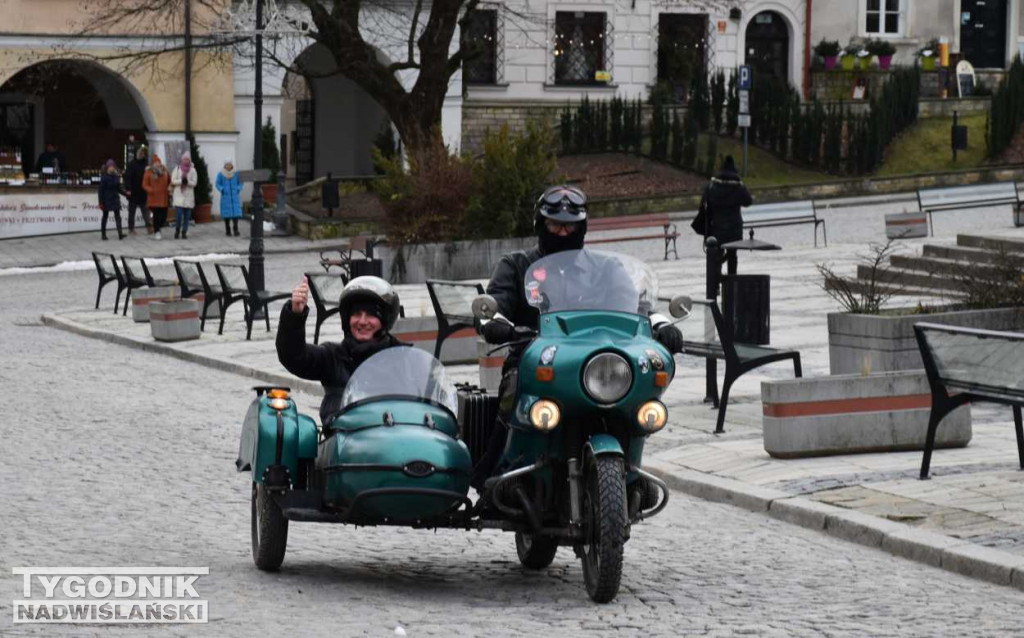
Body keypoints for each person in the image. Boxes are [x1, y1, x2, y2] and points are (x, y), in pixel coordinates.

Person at [471, 185, 683, 488]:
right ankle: (491, 473)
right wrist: (495, 323)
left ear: (582, 227)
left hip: (599, 361)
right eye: (554, 224)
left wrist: (662, 325)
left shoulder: (606, 267)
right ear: (540, 224)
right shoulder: (516, 265)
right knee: (511, 395)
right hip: (534, 358)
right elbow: (493, 305)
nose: (561, 232)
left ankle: (632, 474)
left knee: (637, 405)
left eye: (569, 226)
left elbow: (638, 304)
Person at [276, 275, 407, 426]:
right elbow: (294, 356)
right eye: (357, 314)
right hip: (343, 440)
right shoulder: (333, 356)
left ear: (384, 320)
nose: (363, 321)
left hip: (392, 441)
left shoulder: (403, 357)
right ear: (347, 320)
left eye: (371, 315)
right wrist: (295, 315)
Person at [698, 155, 752, 276]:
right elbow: (748, 201)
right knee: (732, 255)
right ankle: (732, 281)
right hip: (734, 228)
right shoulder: (738, 187)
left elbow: (704, 203)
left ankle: (715, 283)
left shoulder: (712, 186)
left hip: (716, 227)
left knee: (717, 254)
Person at [123, 146, 152, 235]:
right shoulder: (131, 164)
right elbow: (127, 177)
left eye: (143, 153)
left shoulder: (146, 164)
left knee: (145, 211)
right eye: (140, 153)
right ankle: (131, 229)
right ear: (136, 154)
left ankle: (149, 227)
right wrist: (128, 189)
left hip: (143, 191)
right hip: (133, 192)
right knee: (132, 212)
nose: (141, 155)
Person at [143, 154, 171, 240]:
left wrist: (170, 187)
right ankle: (157, 231)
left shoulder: (165, 171)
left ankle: (159, 227)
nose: (158, 164)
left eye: (159, 162)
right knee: (156, 216)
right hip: (153, 198)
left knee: (163, 217)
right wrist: (150, 190)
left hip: (164, 198)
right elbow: (144, 184)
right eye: (156, 163)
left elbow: (170, 180)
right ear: (153, 164)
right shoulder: (149, 172)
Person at [171, 151, 198, 240]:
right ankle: (177, 230)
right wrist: (181, 181)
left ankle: (184, 232)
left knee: (187, 216)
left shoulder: (193, 170)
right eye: (184, 159)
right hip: (179, 195)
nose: (186, 161)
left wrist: (188, 182)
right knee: (179, 214)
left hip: (188, 196)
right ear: (182, 160)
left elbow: (194, 183)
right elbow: (173, 180)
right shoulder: (177, 168)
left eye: (187, 159)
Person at [97, 159, 125, 241]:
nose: (112, 168)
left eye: (113, 167)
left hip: (115, 198)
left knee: (118, 217)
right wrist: (100, 202)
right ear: (107, 168)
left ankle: (120, 233)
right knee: (105, 217)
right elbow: (100, 191)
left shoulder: (116, 177)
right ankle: (103, 234)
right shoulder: (104, 178)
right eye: (110, 167)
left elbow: (118, 188)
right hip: (106, 199)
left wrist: (126, 193)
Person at [216, 159, 242, 237]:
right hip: (225, 197)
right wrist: (222, 189)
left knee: (236, 214)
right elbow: (217, 183)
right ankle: (228, 230)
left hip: (234, 197)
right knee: (226, 215)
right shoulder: (221, 174)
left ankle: (236, 229)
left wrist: (238, 189)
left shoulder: (236, 173)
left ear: (232, 165)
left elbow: (241, 182)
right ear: (224, 165)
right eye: (227, 164)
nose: (228, 166)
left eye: (229, 164)